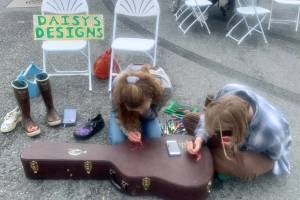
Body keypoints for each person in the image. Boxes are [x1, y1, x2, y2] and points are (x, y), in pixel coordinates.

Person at [184, 83, 291, 180]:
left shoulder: (271, 131)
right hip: (235, 131)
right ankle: (212, 152)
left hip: (261, 152)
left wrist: (237, 143)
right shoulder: (230, 89)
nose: (213, 132)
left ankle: (212, 154)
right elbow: (208, 120)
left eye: (218, 129)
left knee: (243, 167)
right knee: (189, 120)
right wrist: (200, 138)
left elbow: (274, 156)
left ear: (237, 128)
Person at [109, 64, 172, 145]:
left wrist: (145, 112)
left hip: (149, 112)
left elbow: (153, 114)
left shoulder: (165, 89)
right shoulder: (118, 85)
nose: (139, 112)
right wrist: (128, 130)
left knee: (154, 138)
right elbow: (117, 111)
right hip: (122, 112)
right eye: (134, 109)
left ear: (151, 98)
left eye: (141, 108)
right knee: (117, 141)